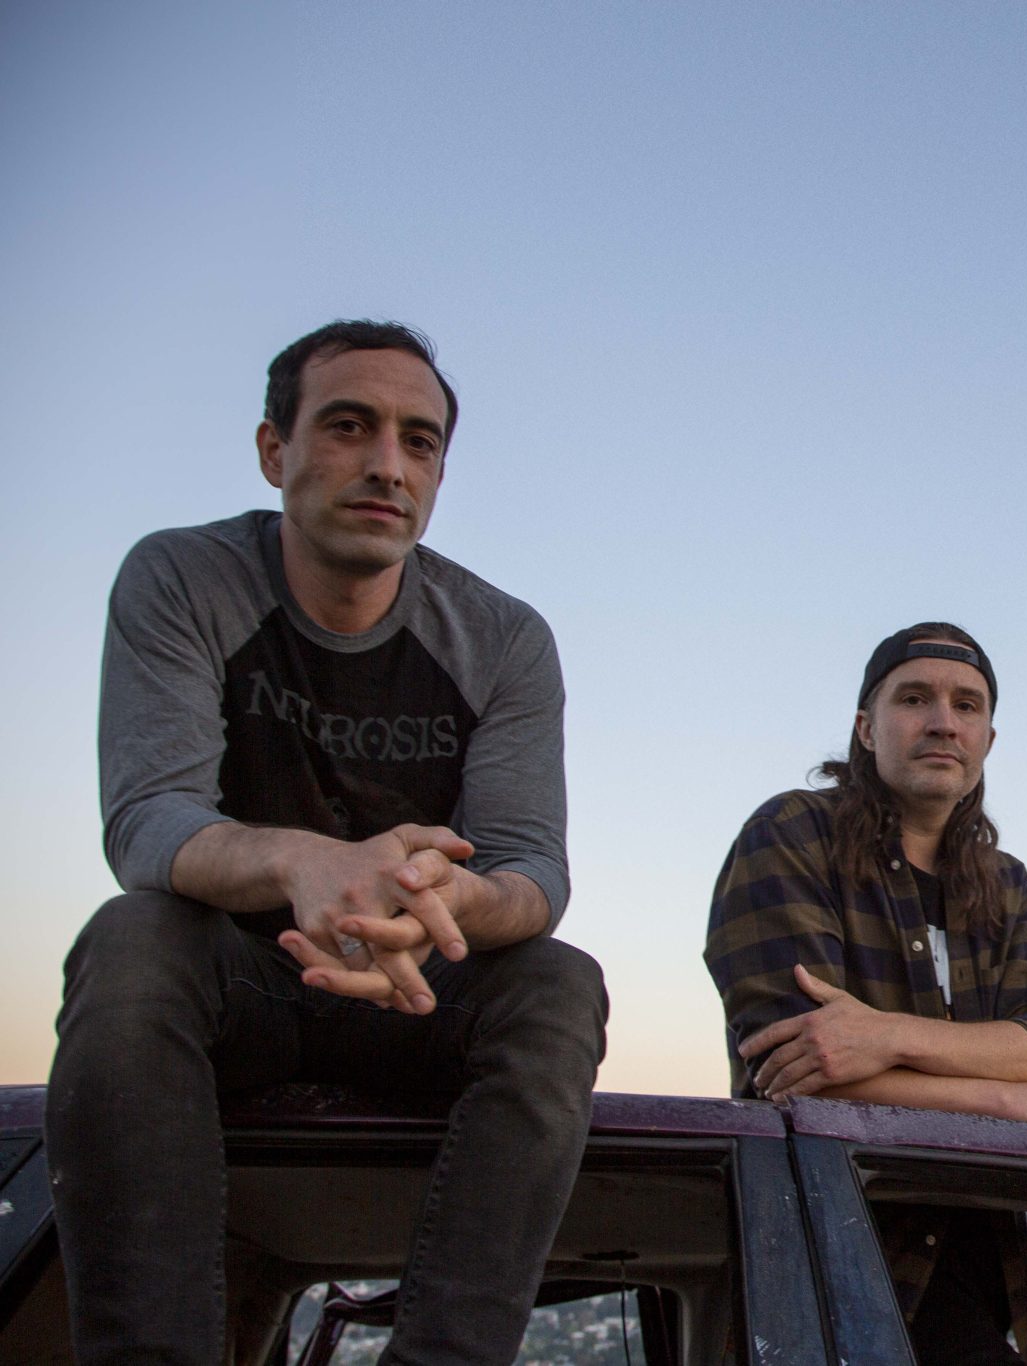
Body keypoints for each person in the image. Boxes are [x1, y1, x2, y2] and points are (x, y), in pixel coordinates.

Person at [46, 320, 608, 1364]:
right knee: (131, 940)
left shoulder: (504, 638)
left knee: (558, 984)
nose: (388, 464)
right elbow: (149, 819)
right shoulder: (184, 577)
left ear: (439, 473)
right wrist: (305, 862)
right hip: (236, 978)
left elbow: (533, 868)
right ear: (275, 450)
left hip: (415, 988)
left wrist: (444, 897)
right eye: (349, 426)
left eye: (419, 441)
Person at [706, 623, 1027, 1364]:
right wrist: (1014, 1100)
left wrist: (887, 1036)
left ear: (987, 740)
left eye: (967, 705)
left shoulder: (1005, 885)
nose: (943, 722)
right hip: (828, 1267)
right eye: (915, 699)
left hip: (982, 1263)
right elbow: (799, 1070)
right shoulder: (793, 834)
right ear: (866, 728)